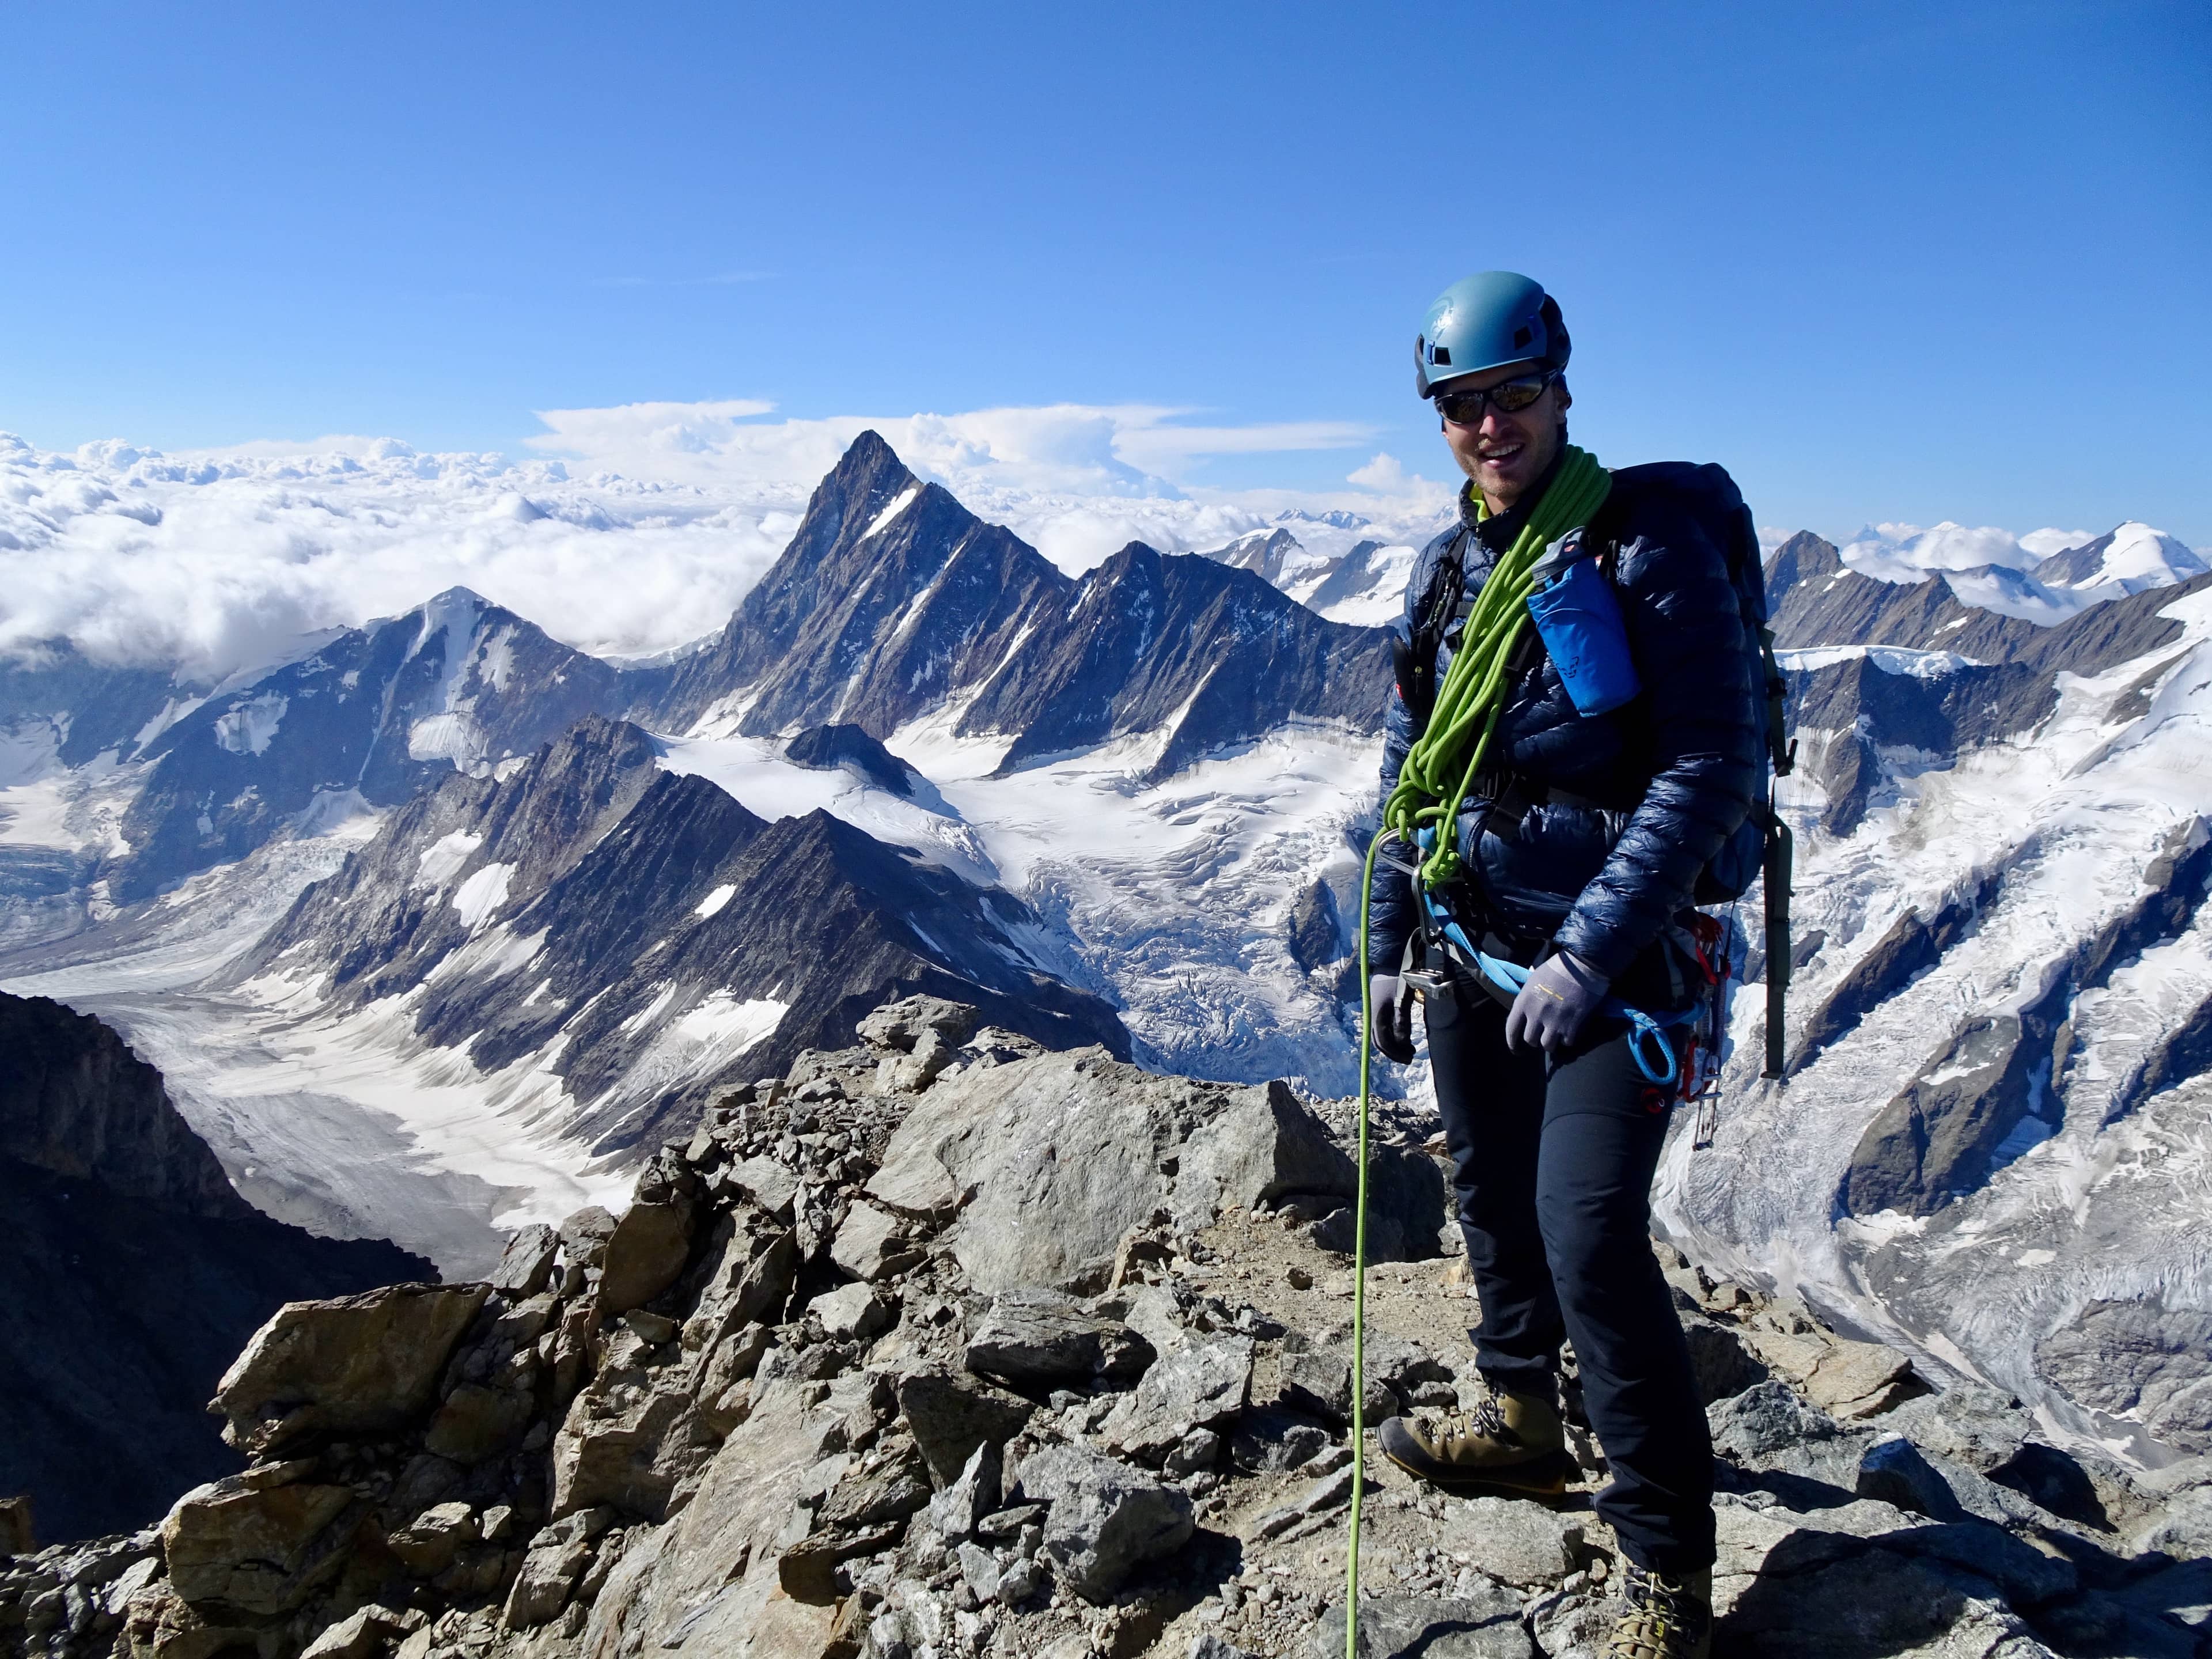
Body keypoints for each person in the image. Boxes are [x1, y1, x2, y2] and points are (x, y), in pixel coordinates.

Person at [1365, 271, 1763, 1659]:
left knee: (1590, 1233)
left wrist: (1594, 950)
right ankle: (1523, 1415)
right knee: (1490, 1190)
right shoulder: (1451, 568)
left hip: (1620, 966)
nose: (1489, 426)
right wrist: (1389, 948)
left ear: (1561, 389)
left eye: (1511, 395)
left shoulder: (1645, 546)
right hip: (1476, 938)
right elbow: (1411, 772)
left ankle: (1669, 1567)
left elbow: (1716, 764)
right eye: (1462, 406)